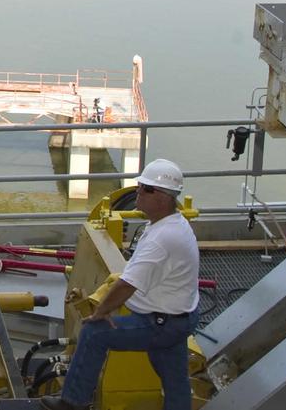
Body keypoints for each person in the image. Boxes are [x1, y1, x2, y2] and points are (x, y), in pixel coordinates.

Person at [41, 159, 200, 410]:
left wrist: (100, 312)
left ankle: (72, 402)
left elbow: (127, 285)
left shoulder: (162, 237)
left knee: (95, 333)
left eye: (146, 189)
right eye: (139, 186)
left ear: (164, 197)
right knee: (174, 377)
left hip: (161, 323)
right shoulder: (174, 225)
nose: (138, 192)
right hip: (179, 318)